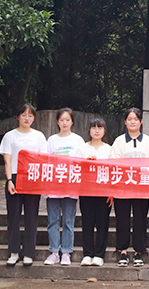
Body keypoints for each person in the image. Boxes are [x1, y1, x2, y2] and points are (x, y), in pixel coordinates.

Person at [0, 103, 47, 267]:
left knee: (31, 216)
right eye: (24, 115)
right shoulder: (9, 136)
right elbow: (7, 160)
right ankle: (13, 251)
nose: (27, 118)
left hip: (32, 177)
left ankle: (28, 253)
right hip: (15, 178)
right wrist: (9, 180)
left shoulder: (39, 136)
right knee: (13, 216)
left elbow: (43, 159)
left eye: (30, 115)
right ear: (17, 117)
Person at [110, 108, 149, 267]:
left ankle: (139, 251)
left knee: (140, 220)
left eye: (136, 119)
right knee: (122, 220)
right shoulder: (119, 141)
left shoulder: (148, 141)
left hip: (142, 188)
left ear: (141, 121)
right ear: (125, 122)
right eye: (130, 119)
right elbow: (114, 163)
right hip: (123, 188)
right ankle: (122, 251)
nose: (133, 122)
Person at [44, 108, 86, 266]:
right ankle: (54, 251)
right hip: (53, 186)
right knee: (53, 220)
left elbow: (82, 163)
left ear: (72, 122)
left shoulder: (78, 140)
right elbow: (45, 162)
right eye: (62, 120)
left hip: (71, 186)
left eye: (67, 120)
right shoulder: (51, 140)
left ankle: (66, 252)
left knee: (68, 221)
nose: (65, 123)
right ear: (57, 122)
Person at [79, 118, 113, 267]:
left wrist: (112, 192)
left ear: (104, 131)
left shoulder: (109, 149)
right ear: (89, 131)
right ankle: (87, 254)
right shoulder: (83, 148)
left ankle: (99, 254)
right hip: (86, 190)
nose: (97, 130)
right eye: (94, 128)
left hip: (104, 191)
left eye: (100, 128)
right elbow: (76, 167)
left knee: (102, 222)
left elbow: (114, 171)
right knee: (87, 222)